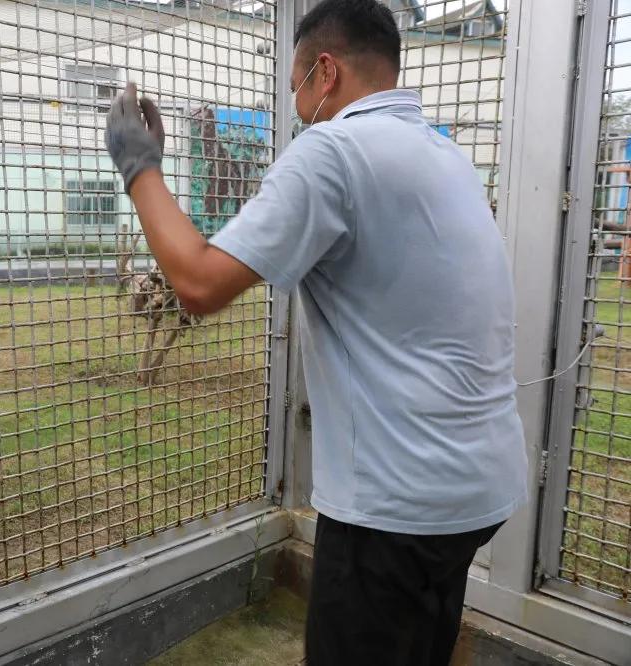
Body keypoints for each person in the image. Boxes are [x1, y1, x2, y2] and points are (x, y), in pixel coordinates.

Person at [102, 1, 528, 664]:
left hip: (395, 507)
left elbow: (198, 283)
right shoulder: (446, 157)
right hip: (479, 488)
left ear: (324, 72)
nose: (297, 106)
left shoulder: (332, 150)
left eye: (296, 84)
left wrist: (140, 166)